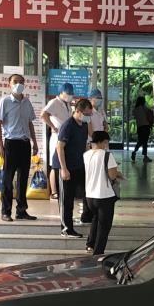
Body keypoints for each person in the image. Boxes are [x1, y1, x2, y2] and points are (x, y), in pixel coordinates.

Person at [0, 73, 39, 222]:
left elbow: (30, 123)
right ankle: (6, 212)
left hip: (25, 144)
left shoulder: (27, 102)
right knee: (8, 179)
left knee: (23, 178)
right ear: (9, 84)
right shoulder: (5, 101)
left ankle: (21, 211)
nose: (18, 84)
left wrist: (35, 143)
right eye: (15, 81)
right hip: (11, 144)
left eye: (21, 81)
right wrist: (1, 146)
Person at [55, 99, 94, 238]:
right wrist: (64, 169)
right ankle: (66, 228)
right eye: (86, 114)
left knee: (87, 191)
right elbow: (60, 147)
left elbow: (84, 145)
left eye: (90, 114)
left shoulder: (84, 125)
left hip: (79, 165)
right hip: (66, 165)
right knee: (67, 199)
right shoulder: (68, 126)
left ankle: (87, 217)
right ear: (77, 111)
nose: (88, 117)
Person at [84, 131, 124, 256]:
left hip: (90, 196)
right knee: (104, 226)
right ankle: (98, 252)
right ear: (102, 141)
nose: (106, 145)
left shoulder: (86, 155)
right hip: (104, 195)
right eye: (106, 142)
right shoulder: (107, 155)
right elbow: (112, 175)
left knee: (96, 219)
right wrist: (118, 174)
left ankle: (90, 244)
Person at [41, 82, 74, 199]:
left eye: (71, 93)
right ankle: (54, 191)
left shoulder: (67, 104)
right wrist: (53, 126)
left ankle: (62, 189)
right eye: (67, 93)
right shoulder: (54, 102)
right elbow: (43, 115)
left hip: (66, 137)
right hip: (57, 137)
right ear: (61, 92)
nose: (70, 95)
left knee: (63, 163)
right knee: (55, 165)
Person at [131, 95, 153, 162]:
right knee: (144, 142)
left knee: (140, 141)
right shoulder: (144, 108)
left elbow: (134, 116)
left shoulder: (135, 110)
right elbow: (149, 113)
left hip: (139, 127)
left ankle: (134, 151)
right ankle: (145, 157)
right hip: (146, 126)